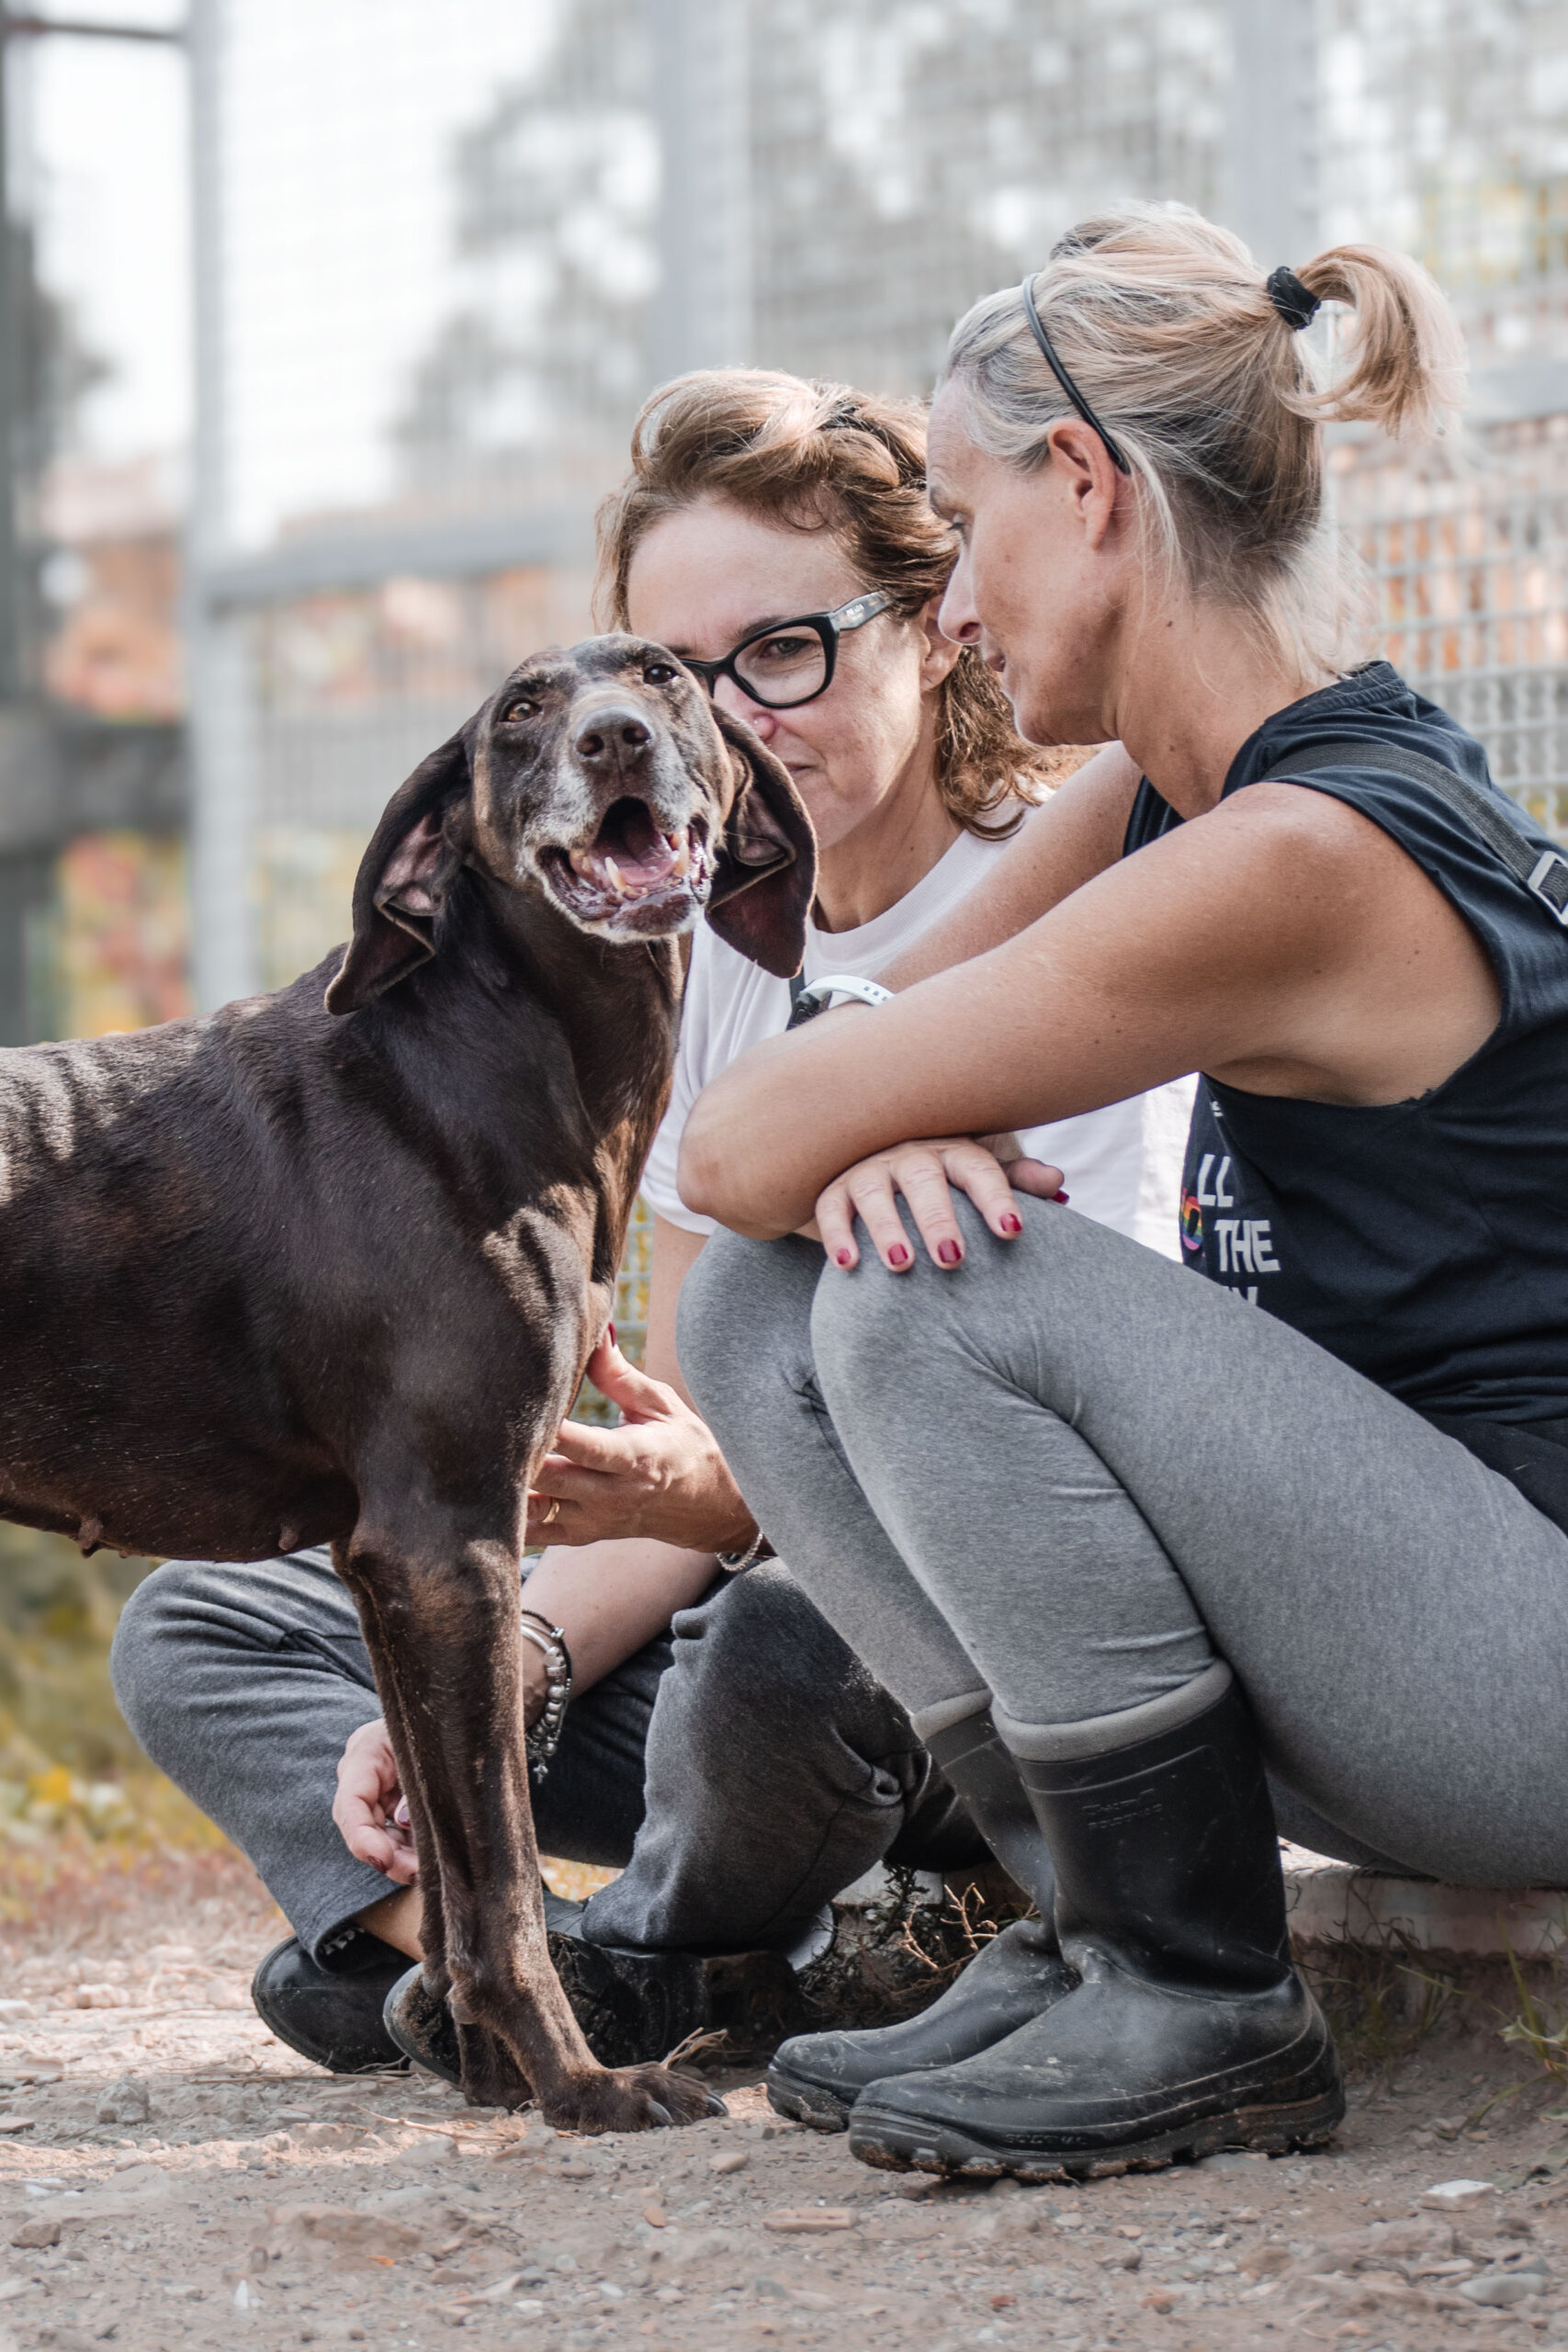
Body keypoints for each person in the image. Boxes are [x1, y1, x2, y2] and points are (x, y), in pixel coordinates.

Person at [109, 369, 1189, 2080]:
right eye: (675, 674)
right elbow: (679, 1436)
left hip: (949, 1644)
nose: (718, 723)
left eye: (782, 652)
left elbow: (1060, 1473)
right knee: (212, 1620)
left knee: (780, 1638)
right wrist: (523, 1655)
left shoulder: (1060, 906)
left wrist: (706, 1505)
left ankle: (623, 1953)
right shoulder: (678, 964)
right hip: (713, 1654)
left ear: (936, 628)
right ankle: (539, 1961)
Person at [673, 206, 1568, 2183]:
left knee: (936, 1282)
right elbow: (791, 1103)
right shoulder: (1178, 787)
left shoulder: (1305, 847)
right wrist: (870, 1111)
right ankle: (1095, 1925)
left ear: (1082, 485)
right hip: (1399, 1631)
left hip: (1523, 1665)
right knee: (751, 1298)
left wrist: (861, 1118)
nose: (948, 608)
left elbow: (743, 1135)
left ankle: (1198, 1991)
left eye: (959, 522)